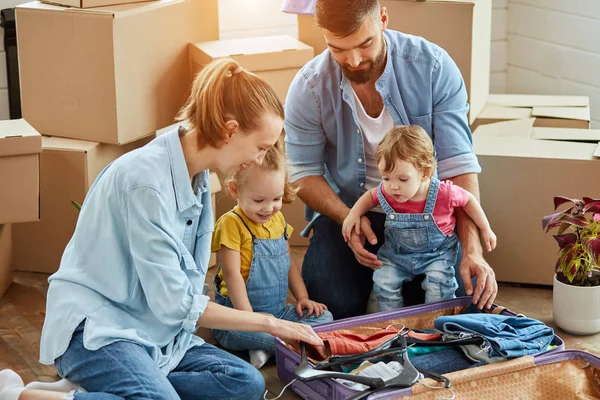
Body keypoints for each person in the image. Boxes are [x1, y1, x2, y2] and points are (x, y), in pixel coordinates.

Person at [0, 58, 323, 400]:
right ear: (230, 130)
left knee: (245, 383)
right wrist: (271, 324)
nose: (260, 160)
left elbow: (180, 289)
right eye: (261, 147)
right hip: (97, 331)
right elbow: (175, 303)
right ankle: (24, 396)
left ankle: (111, 387)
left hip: (154, 331)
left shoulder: (198, 179)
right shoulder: (146, 182)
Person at [284, 0, 498, 320]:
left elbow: (458, 166)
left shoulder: (434, 68)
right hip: (348, 210)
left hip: (428, 220)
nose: (354, 60)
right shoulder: (309, 86)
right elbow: (302, 173)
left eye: (365, 43)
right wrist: (348, 218)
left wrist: (473, 249)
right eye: (337, 49)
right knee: (333, 308)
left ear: (383, 19)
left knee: (439, 308)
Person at [342, 125, 497, 311]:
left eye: (403, 179)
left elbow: (469, 200)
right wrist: (353, 214)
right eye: (386, 178)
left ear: (425, 173)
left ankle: (436, 323)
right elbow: (370, 196)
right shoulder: (388, 190)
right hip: (397, 254)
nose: (393, 187)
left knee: (439, 285)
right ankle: (391, 322)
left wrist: (485, 229)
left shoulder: (444, 192)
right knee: (384, 281)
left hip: (437, 254)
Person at [211, 142, 333, 369]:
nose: (269, 208)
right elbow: (231, 274)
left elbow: (288, 265)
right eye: (259, 200)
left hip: (277, 313)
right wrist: (249, 321)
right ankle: (266, 344)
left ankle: (265, 349)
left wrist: (303, 298)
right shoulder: (231, 223)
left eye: (276, 199)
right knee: (269, 335)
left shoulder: (276, 221)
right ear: (235, 190)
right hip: (239, 317)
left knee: (325, 319)